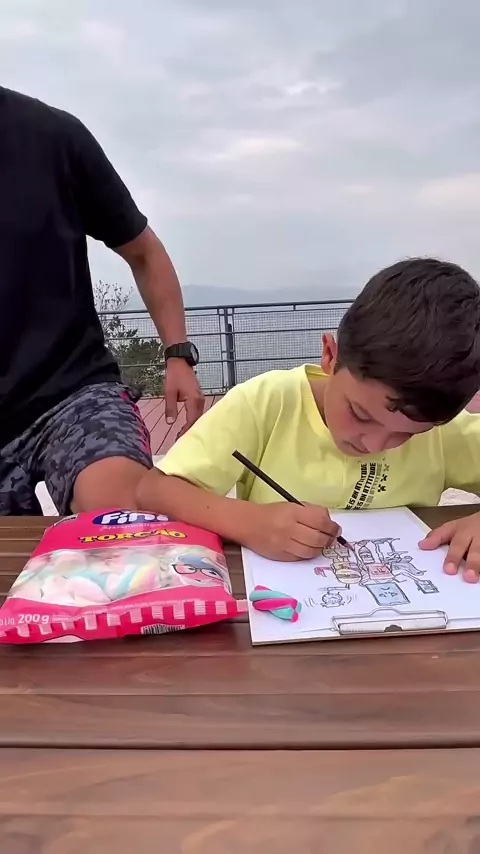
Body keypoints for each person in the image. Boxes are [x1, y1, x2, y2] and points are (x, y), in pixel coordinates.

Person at [137, 257, 480, 582]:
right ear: (331, 355)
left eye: (406, 435)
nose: (374, 444)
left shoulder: (442, 431)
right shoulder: (267, 403)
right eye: (359, 414)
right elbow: (153, 490)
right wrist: (247, 522)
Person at [0, 86, 204, 516]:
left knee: (123, 516)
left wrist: (178, 354)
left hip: (73, 393)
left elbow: (143, 251)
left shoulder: (54, 136)